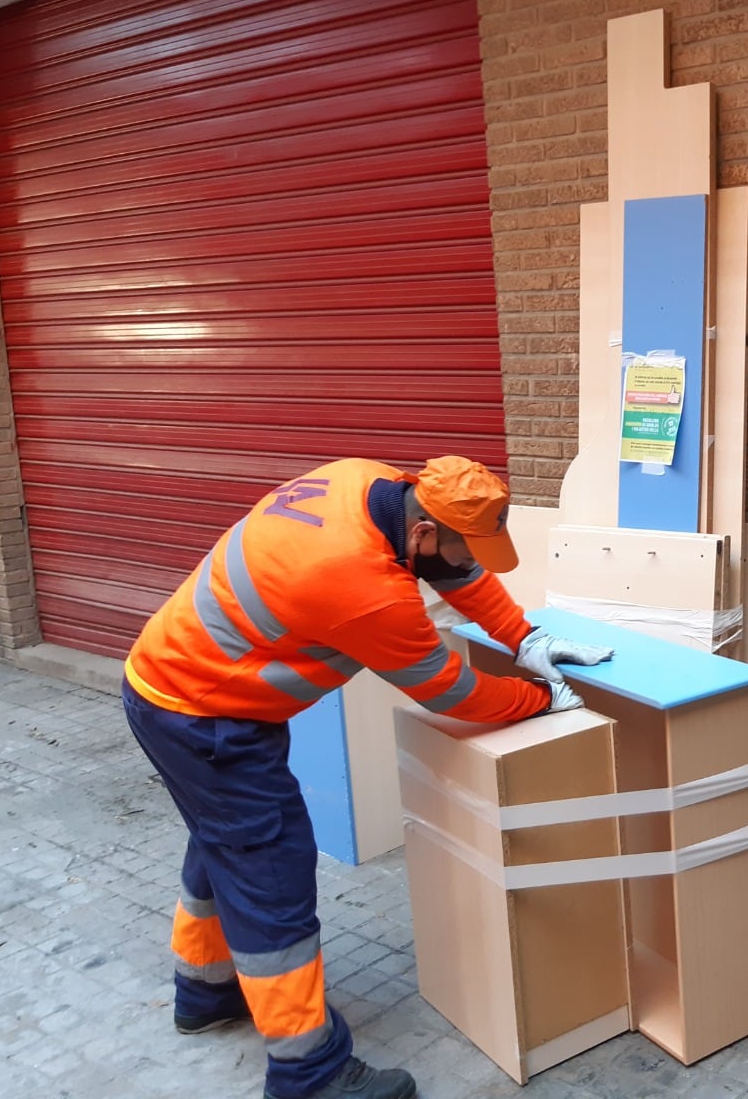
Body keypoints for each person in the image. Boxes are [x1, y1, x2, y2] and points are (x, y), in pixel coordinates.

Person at [120, 456, 613, 1099]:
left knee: (227, 843)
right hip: (206, 718)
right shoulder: (363, 584)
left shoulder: (369, 482)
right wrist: (542, 699)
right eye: (468, 548)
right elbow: (451, 692)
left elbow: (459, 573)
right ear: (424, 534)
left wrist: (524, 637)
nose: (474, 563)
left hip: (176, 689)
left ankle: (205, 988)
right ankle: (309, 1072)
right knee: (269, 874)